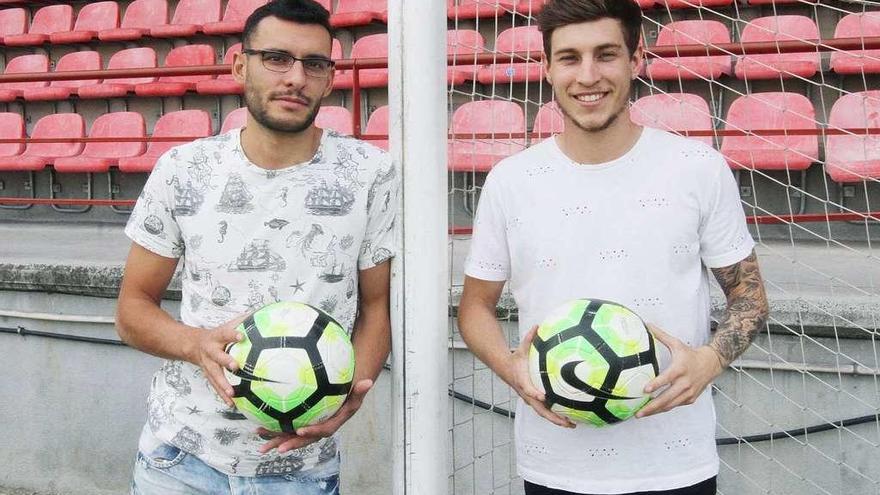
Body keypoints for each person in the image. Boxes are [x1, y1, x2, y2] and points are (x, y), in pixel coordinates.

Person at [457, 0, 769, 494]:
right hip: (555, 464)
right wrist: (512, 368)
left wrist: (709, 360)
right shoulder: (510, 181)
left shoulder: (697, 169)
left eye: (605, 55)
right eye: (569, 58)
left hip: (675, 464)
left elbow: (749, 296)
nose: (588, 76)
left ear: (636, 59)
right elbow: (475, 307)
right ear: (546, 67)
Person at [115, 1, 398, 493]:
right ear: (239, 65)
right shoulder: (184, 169)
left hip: (301, 470)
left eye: (314, 64)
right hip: (182, 457)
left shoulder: (370, 174)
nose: (296, 77)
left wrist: (351, 395)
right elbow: (132, 309)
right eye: (276, 58)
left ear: (330, 79)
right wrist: (195, 343)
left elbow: (376, 310)